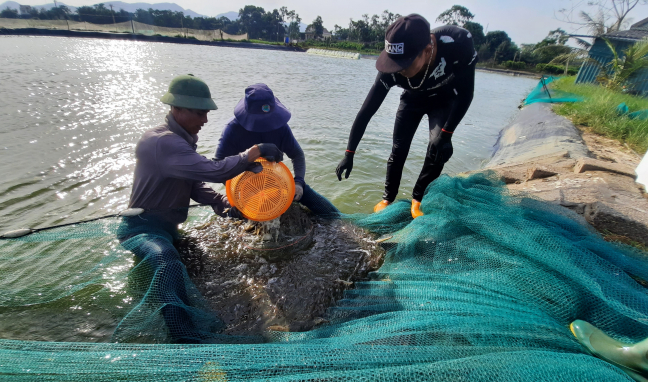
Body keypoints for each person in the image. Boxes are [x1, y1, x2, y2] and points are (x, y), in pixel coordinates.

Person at [117, 74, 284, 343]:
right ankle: (183, 336)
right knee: (166, 260)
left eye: (206, 112)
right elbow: (213, 171)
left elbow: (193, 186)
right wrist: (252, 153)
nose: (205, 120)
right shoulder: (163, 141)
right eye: (199, 113)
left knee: (198, 265)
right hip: (142, 229)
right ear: (176, 109)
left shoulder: (180, 141)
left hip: (168, 229)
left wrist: (223, 204)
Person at [335, 14, 476, 218]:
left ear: (427, 51)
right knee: (399, 149)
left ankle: (417, 200)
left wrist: (447, 134)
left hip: (444, 100)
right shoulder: (392, 69)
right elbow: (367, 111)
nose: (397, 71)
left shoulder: (458, 43)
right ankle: (388, 198)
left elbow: (466, 94)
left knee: (437, 149)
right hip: (411, 100)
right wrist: (349, 153)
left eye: (404, 64)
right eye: (393, 64)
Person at [214, 83, 340, 218]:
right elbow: (217, 165)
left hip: (274, 179)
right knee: (232, 214)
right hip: (244, 185)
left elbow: (297, 155)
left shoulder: (280, 128)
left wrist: (298, 182)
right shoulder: (232, 129)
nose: (264, 125)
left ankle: (338, 218)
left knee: (322, 207)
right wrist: (240, 193)